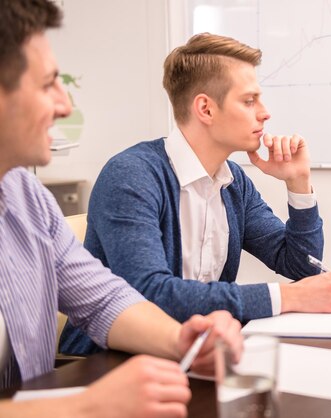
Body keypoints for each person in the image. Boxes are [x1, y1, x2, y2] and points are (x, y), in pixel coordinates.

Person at [0, 1, 243, 416]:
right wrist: (87, 405)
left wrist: (181, 340)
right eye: (47, 85)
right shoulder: (132, 173)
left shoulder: (26, 194)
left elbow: (102, 298)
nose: (63, 105)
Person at [60, 32, 331, 355]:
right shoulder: (132, 176)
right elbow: (149, 294)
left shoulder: (233, 182)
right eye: (249, 101)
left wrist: (298, 182)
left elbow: (300, 265)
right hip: (103, 367)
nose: (265, 113)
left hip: (196, 356)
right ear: (205, 109)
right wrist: (288, 297)